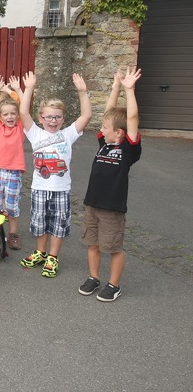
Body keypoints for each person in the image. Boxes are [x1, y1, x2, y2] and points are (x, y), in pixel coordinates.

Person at [14, 71, 92, 278]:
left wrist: (83, 92)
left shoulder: (67, 134)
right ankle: (40, 252)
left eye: (57, 117)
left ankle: (53, 256)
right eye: (48, 117)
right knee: (39, 222)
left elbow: (86, 116)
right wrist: (29, 88)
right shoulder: (35, 133)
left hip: (61, 189)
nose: (53, 120)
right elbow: (23, 113)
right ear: (41, 118)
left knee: (58, 223)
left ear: (63, 118)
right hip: (40, 188)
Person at [78, 67, 142, 302]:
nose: (101, 129)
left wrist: (129, 89)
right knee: (92, 244)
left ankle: (114, 284)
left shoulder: (128, 149)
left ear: (120, 133)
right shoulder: (104, 144)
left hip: (112, 209)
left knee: (113, 247)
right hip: (93, 204)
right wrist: (115, 86)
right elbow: (108, 112)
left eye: (106, 127)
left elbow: (132, 118)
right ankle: (94, 277)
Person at [0, 75, 26, 250]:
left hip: (13, 173)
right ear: (0, 117)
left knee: (11, 206)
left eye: (13, 113)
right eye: (6, 114)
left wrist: (17, 90)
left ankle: (12, 234)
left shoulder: (20, 127)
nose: (10, 117)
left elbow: (25, 109)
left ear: (17, 115)